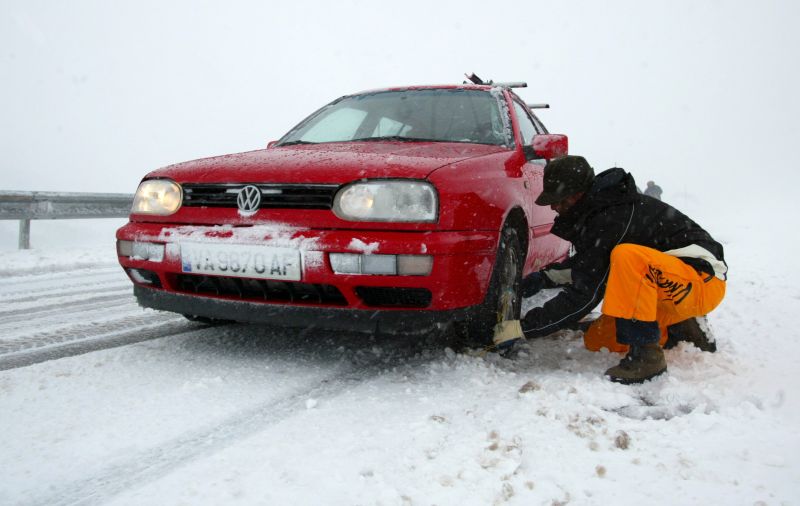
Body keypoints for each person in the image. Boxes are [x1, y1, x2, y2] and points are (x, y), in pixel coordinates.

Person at [497, 155, 727, 384]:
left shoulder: (612, 217)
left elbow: (585, 294)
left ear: (577, 195)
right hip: (665, 285)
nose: (554, 207)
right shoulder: (599, 212)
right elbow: (590, 266)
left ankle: (647, 357)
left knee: (627, 256)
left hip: (701, 280)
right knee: (598, 340)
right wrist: (544, 278)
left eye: (558, 200)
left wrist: (523, 328)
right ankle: (679, 328)